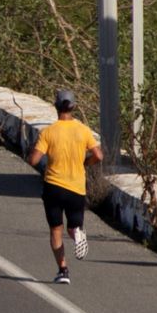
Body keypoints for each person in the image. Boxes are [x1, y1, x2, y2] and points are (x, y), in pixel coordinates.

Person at [27, 90, 103, 285]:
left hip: (53, 186)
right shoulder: (83, 130)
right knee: (73, 227)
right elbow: (99, 156)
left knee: (56, 230)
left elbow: (34, 160)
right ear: (74, 107)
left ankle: (63, 270)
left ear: (56, 106)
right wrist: (86, 163)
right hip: (76, 187)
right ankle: (77, 234)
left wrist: (36, 151)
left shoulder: (48, 132)